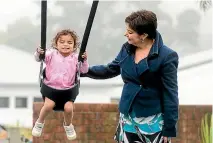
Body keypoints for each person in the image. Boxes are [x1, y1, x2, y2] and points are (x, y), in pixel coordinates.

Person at [81, 10, 179, 143]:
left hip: (153, 120)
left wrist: (169, 127)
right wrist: (84, 71)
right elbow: (110, 69)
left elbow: (170, 93)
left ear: (143, 35)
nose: (125, 34)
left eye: (130, 32)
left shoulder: (167, 56)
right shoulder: (126, 49)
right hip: (127, 117)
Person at [32, 29, 89, 140]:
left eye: (69, 42)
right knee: (48, 105)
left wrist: (84, 59)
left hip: (68, 90)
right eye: (62, 42)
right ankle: (39, 123)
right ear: (56, 44)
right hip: (51, 88)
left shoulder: (75, 58)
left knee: (68, 109)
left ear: (74, 45)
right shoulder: (51, 54)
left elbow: (84, 70)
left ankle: (68, 125)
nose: (65, 45)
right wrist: (39, 52)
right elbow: (38, 59)